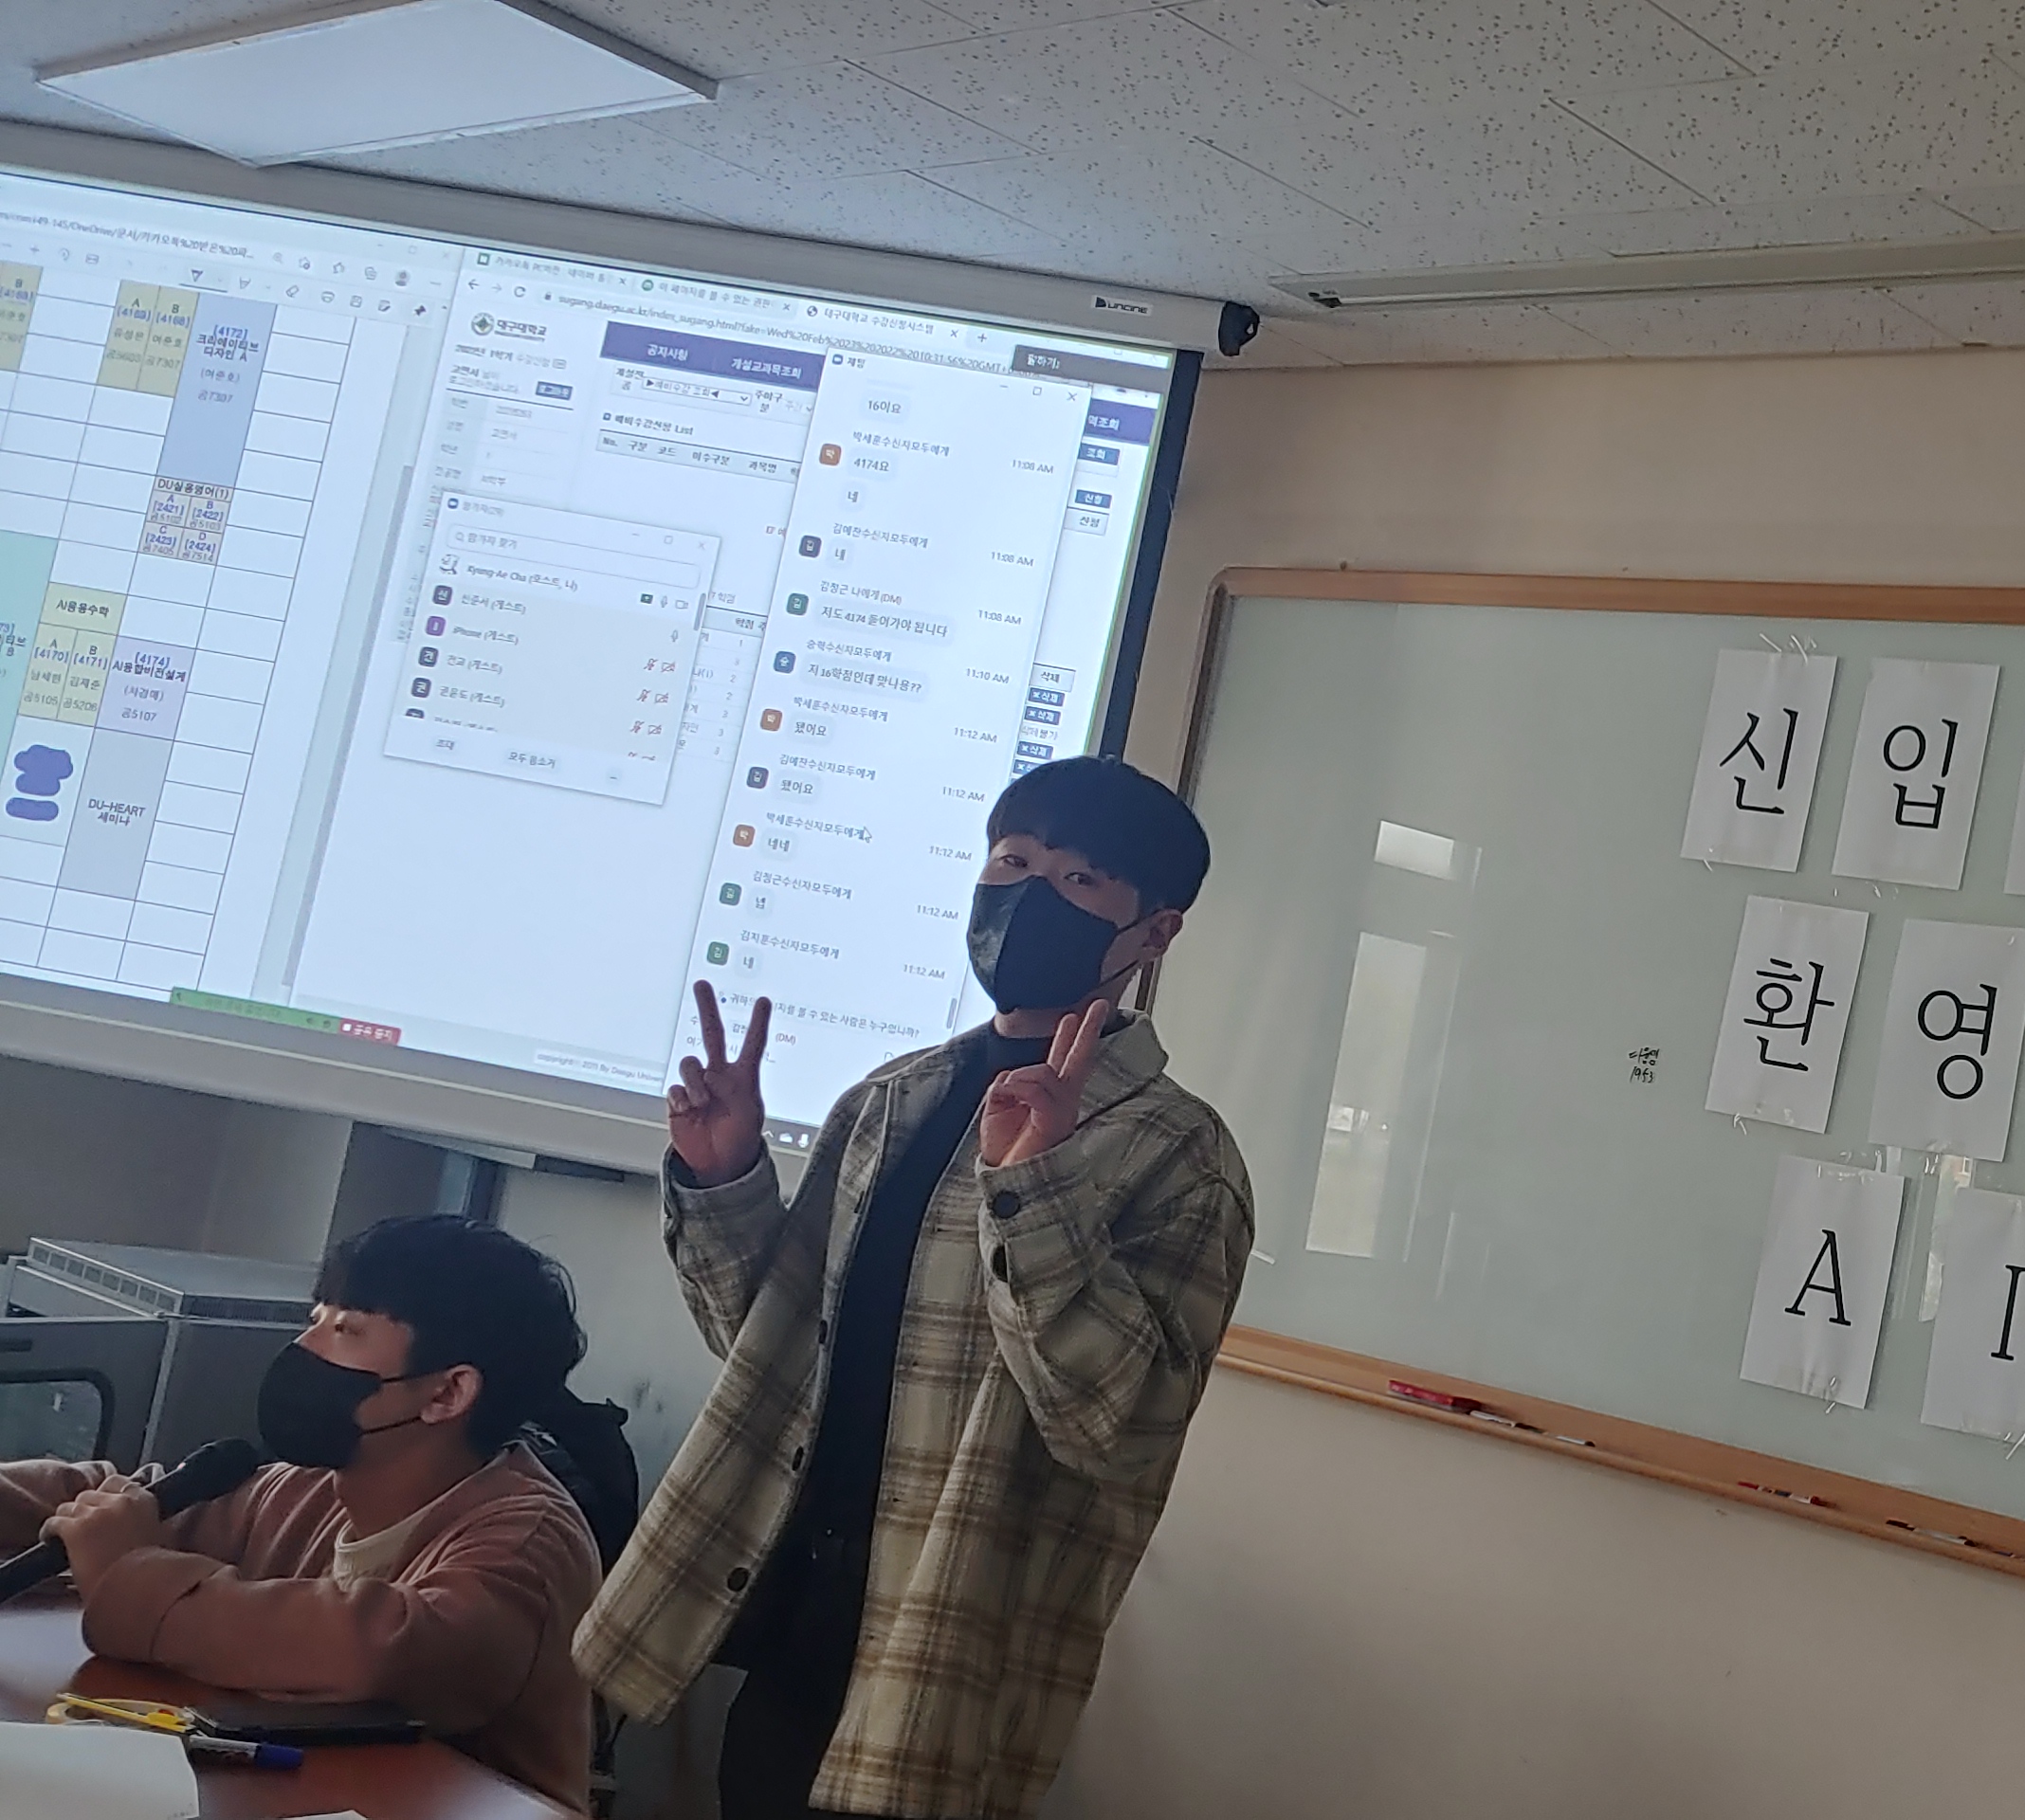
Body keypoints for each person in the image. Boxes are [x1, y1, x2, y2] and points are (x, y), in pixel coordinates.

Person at [578, 755, 1255, 1820]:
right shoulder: (890, 1100)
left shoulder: (1177, 1153)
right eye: (1012, 862)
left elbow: (1117, 1425)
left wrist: (1037, 1188)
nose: (1027, 896)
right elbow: (769, 1347)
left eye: (1079, 881)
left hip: (938, 1640)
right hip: (792, 1602)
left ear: (1154, 933)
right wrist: (723, 1178)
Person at [0, 1215, 603, 1805]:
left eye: (346, 1330)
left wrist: (125, 1574)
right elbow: (133, 1504)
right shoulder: (309, 1486)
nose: (303, 1347)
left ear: (447, 1392)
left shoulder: (527, 1540)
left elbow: (378, 1653)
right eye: (314, 1320)